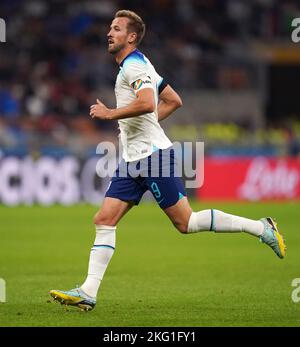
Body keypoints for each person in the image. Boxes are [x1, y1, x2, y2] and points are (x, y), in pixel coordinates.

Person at [50, 10, 286, 311]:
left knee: (186, 223)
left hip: (153, 157)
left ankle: (261, 227)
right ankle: (88, 292)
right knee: (104, 219)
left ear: (131, 37)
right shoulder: (142, 64)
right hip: (132, 159)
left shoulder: (133, 67)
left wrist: (111, 114)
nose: (109, 33)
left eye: (117, 28)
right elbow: (173, 100)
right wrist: (144, 125)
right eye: (110, 28)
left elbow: (148, 102)